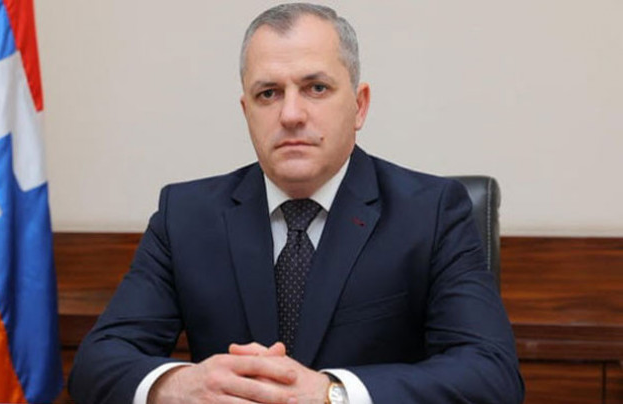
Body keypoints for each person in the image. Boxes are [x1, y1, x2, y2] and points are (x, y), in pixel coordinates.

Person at [68, 3, 524, 403]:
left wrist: (332, 394)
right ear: (247, 111)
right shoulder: (186, 216)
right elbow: (96, 364)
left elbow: (491, 375)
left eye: (316, 88)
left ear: (360, 106)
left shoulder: (432, 213)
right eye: (268, 93)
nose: (290, 114)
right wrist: (179, 386)